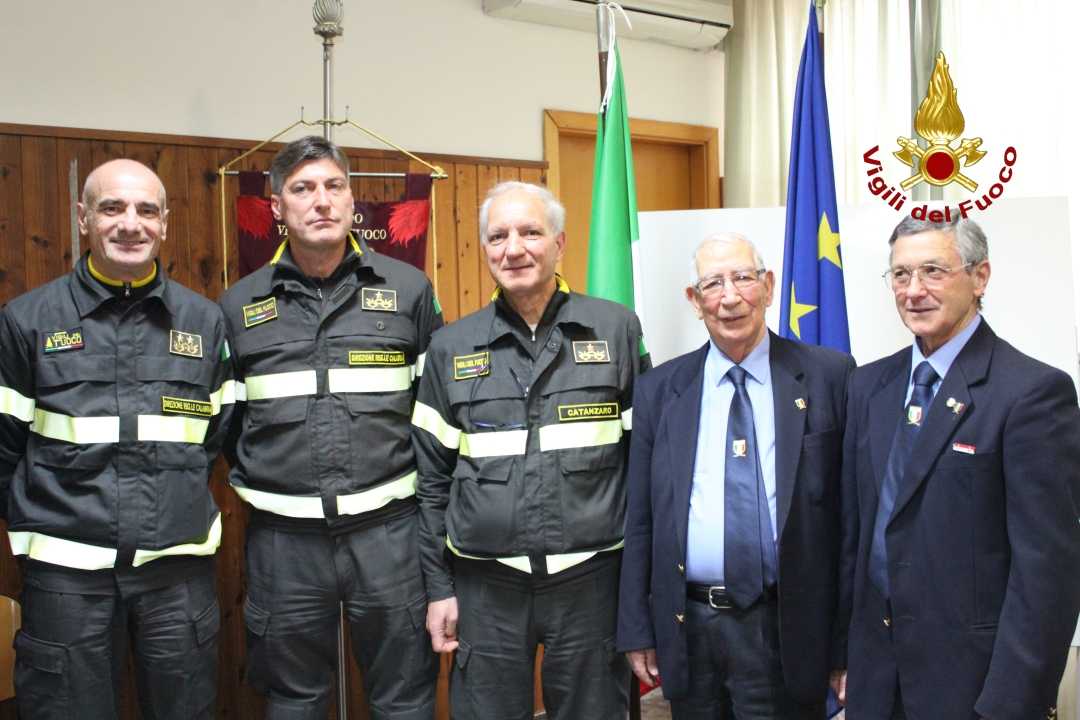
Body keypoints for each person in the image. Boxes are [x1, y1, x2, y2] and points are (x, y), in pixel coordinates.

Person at [0, 159, 234, 719]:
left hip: (175, 571)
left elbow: (215, 437)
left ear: (164, 224)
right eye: (112, 208)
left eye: (146, 210)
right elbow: (5, 448)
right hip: (66, 577)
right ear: (83, 219)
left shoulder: (204, 324)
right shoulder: (28, 321)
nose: (131, 224)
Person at [220, 136, 441, 719]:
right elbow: (227, 423)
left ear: (351, 201)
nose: (321, 201)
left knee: (404, 696)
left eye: (333, 186)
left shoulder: (409, 291)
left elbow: (434, 412)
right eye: (302, 189)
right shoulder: (239, 306)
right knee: (294, 699)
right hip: (284, 542)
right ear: (276, 208)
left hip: (389, 536)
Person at [411, 181, 650, 719]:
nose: (513, 248)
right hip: (485, 589)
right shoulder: (451, 348)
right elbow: (429, 484)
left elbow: (646, 466)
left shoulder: (614, 330)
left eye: (530, 232)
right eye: (498, 236)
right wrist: (438, 589)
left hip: (591, 584)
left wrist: (639, 592)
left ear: (560, 243)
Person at [837, 215, 1080, 719]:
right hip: (876, 683)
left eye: (933, 271)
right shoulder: (867, 388)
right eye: (900, 275)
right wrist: (843, 660)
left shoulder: (1031, 394)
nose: (914, 290)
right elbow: (857, 538)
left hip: (974, 689)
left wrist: (1011, 702)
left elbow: (1048, 573)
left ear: (980, 276)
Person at [616, 233, 853, 719]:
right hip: (691, 628)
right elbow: (640, 518)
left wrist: (847, 642)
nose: (730, 297)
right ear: (694, 300)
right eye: (712, 283)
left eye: (744, 278)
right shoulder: (661, 390)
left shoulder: (830, 376)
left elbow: (851, 521)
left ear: (767, 286)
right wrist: (638, 627)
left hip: (789, 627)